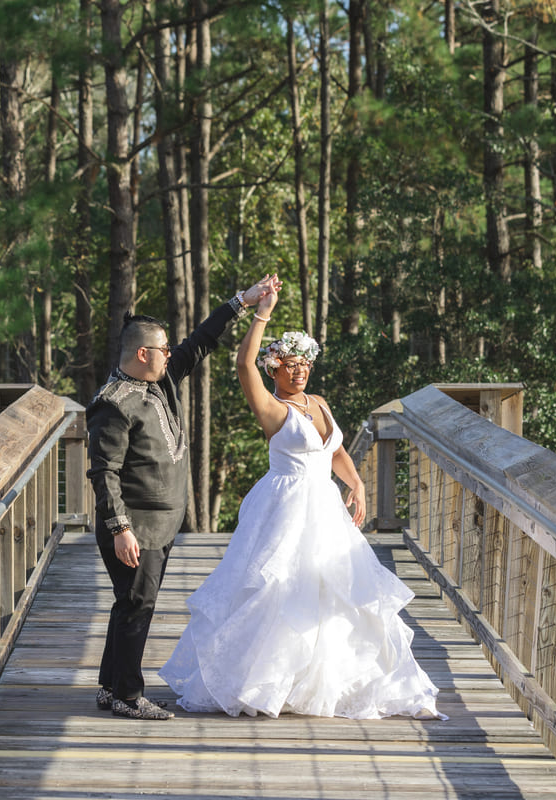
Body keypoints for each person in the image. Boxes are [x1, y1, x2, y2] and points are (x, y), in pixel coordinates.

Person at [158, 285, 449, 720]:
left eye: (305, 365)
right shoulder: (274, 409)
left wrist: (358, 484)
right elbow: (242, 365)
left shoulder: (320, 403)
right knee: (279, 590)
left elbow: (335, 452)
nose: (300, 373)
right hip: (286, 508)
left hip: (325, 508)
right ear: (275, 369)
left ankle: (326, 681)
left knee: (333, 590)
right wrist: (261, 314)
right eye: (291, 366)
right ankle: (266, 681)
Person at [87, 275, 283, 720]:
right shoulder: (112, 403)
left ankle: (109, 687)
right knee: (138, 605)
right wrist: (120, 529)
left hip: (162, 524)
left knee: (129, 603)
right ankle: (129, 695)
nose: (170, 353)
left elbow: (200, 341)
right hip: (135, 526)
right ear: (142, 354)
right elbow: (104, 473)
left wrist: (244, 302)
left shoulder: (162, 380)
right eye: (162, 349)